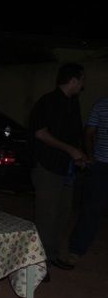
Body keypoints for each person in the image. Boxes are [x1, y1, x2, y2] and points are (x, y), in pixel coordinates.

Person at [29, 63, 87, 272]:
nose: (83, 85)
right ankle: (38, 265)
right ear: (73, 80)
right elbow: (40, 133)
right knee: (46, 216)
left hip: (65, 169)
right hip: (48, 167)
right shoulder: (48, 101)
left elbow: (74, 135)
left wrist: (78, 155)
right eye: (81, 80)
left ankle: (51, 255)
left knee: (62, 213)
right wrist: (70, 150)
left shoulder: (73, 103)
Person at [63, 96, 108, 267]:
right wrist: (90, 155)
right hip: (101, 164)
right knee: (91, 208)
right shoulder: (102, 105)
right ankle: (76, 249)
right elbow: (89, 132)